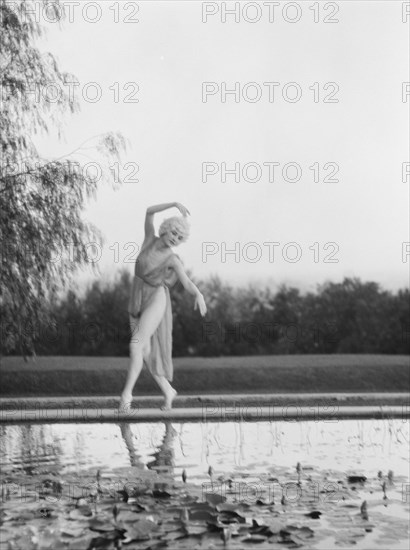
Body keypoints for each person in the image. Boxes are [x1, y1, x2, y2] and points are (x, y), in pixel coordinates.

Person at [119, 202, 207, 412]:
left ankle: (125, 397)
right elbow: (149, 211)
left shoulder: (172, 259)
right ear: (166, 229)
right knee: (146, 352)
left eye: (179, 238)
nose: (174, 238)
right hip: (137, 296)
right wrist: (175, 204)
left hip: (156, 298)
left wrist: (199, 294)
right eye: (173, 232)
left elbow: (186, 282)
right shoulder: (150, 238)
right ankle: (168, 391)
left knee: (135, 345)